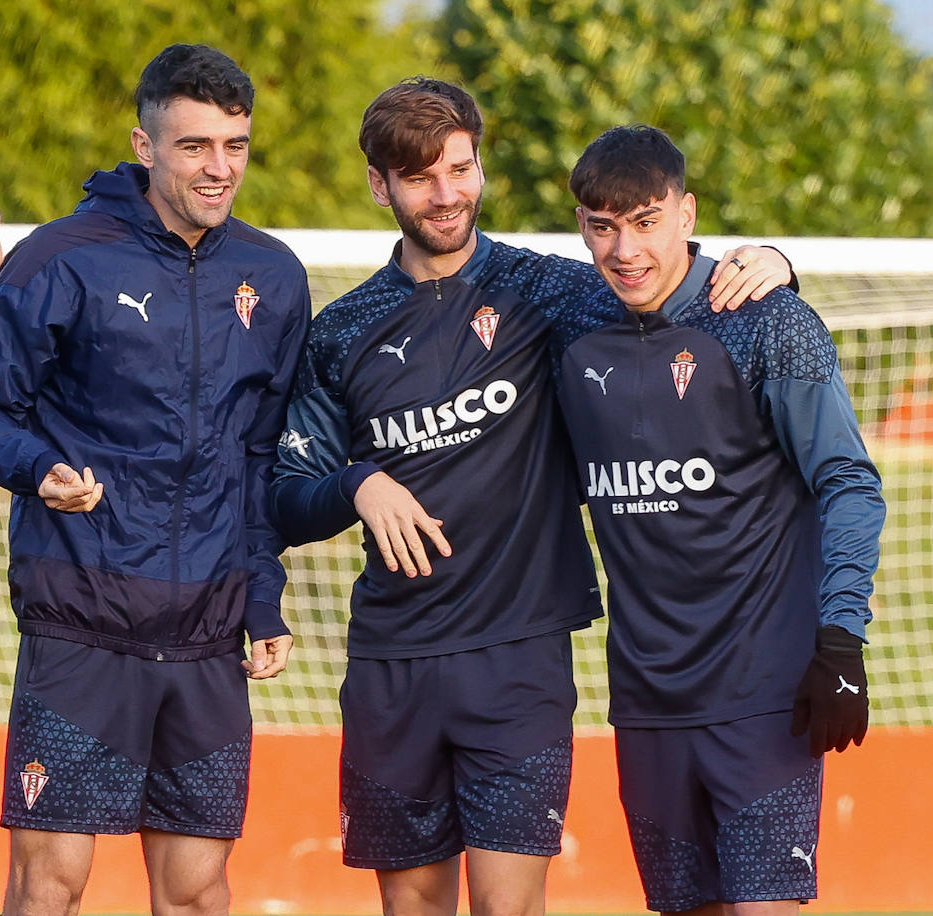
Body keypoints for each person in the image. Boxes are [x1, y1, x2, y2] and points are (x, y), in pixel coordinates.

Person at [270, 78, 794, 916]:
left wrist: (772, 262)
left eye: (461, 169)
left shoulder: (553, 291)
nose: (447, 195)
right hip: (391, 662)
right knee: (411, 908)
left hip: (521, 657)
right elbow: (284, 500)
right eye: (420, 178)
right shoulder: (341, 330)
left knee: (508, 908)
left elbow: (668, 278)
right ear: (380, 184)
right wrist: (358, 483)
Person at [0, 44, 310, 916]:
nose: (220, 169)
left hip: (207, 637)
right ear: (145, 147)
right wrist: (40, 471)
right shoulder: (62, 259)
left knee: (196, 893)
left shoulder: (275, 276)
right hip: (82, 627)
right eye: (195, 147)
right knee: (50, 888)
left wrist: (262, 597)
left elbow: (264, 457)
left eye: (236, 145)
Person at [558, 124, 883, 915]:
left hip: (766, 695)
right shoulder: (564, 316)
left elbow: (850, 482)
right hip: (646, 699)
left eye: (645, 221)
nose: (624, 249)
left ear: (687, 213)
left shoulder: (765, 319)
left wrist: (840, 640)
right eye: (602, 226)